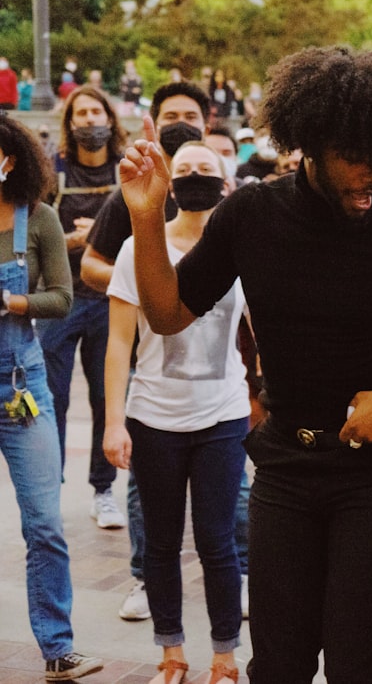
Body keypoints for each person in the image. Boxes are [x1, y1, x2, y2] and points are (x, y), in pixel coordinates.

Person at [117, 45, 372, 683]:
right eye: (355, 157)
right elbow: (168, 313)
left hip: (370, 476)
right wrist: (148, 217)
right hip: (284, 469)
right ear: (309, 145)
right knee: (280, 665)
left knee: (356, 663)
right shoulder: (253, 214)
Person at [104, 142, 248, 684]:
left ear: (225, 182)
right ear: (166, 180)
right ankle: (171, 651)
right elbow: (119, 345)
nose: (193, 178)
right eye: (182, 170)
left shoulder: (238, 251)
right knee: (159, 542)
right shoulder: (137, 249)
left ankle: (225, 654)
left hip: (223, 416)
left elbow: (266, 333)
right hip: (153, 418)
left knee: (219, 542)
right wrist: (114, 422)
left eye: (204, 170)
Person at [0, 115, 103, 681]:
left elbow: (63, 299)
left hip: (21, 390)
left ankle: (58, 649)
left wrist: (12, 304)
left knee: (44, 524)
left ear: (10, 159)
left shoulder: (37, 220)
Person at [39, 85, 128, 531]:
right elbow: (33, 229)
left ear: (110, 119)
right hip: (59, 300)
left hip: (110, 300)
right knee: (50, 397)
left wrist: (100, 235)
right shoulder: (52, 173)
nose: (90, 120)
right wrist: (70, 240)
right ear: (70, 123)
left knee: (105, 397)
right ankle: (47, 487)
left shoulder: (126, 169)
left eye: (97, 112)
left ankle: (103, 490)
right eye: (82, 113)